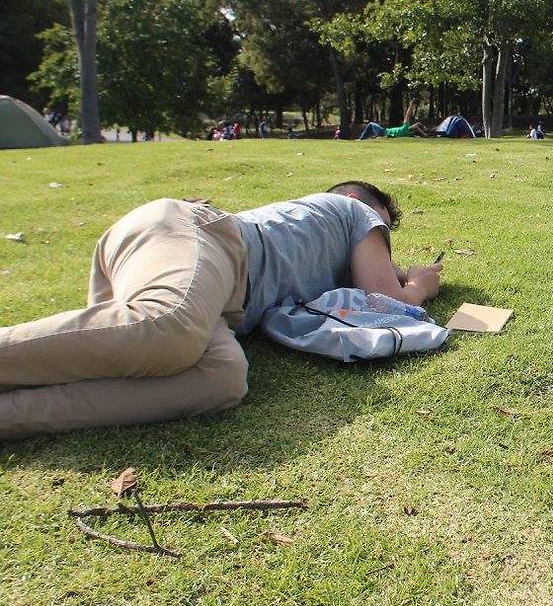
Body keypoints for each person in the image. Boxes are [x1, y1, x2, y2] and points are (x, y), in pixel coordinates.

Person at [0, 182, 441, 439]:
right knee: (170, 327)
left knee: (221, 379)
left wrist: (398, 272)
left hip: (209, 294)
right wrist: (419, 286)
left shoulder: (320, 248)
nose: (382, 240)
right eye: (383, 230)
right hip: (197, 238)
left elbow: (369, 282)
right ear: (359, 201)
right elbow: (383, 299)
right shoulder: (355, 212)